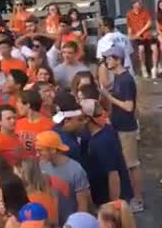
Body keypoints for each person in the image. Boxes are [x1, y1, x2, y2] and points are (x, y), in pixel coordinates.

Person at [99, 46, 144, 212]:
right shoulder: (118, 77)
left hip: (126, 128)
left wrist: (109, 97)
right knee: (126, 164)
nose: (106, 61)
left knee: (132, 164)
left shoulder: (126, 80)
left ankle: (137, 199)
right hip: (119, 125)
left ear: (117, 59)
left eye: (109, 58)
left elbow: (128, 106)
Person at [79, 94, 133, 207]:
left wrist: (114, 205)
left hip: (110, 198)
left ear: (86, 119)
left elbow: (113, 175)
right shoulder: (106, 129)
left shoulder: (102, 142)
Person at [35, 131, 90, 224]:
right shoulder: (42, 165)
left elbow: (83, 205)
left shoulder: (76, 170)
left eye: (40, 150)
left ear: (53, 150)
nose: (37, 154)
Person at [15, 90, 53, 156]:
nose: (16, 105)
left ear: (28, 105)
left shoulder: (50, 126)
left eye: (18, 102)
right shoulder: (17, 123)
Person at [126, 0, 157, 78]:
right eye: (136, 4)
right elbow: (129, 27)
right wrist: (129, 35)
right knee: (141, 49)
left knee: (154, 47)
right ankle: (143, 68)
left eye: (139, 4)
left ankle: (155, 67)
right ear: (133, 5)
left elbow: (149, 23)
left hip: (147, 35)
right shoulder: (129, 14)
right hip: (138, 37)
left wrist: (140, 32)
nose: (138, 6)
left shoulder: (145, 12)